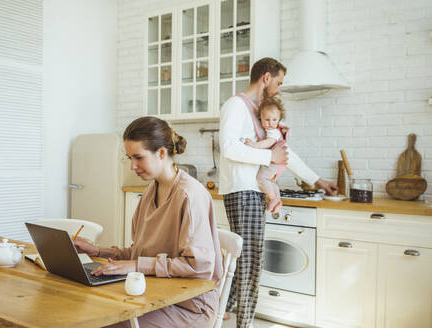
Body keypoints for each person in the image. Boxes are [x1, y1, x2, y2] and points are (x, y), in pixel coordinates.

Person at [219, 57, 337, 328]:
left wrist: (316, 180)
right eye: (279, 82)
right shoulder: (236, 106)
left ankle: (223, 307)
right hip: (242, 189)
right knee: (252, 258)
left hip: (254, 190)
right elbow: (229, 149)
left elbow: (282, 152)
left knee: (245, 256)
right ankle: (244, 323)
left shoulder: (259, 112)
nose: (280, 89)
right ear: (266, 78)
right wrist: (268, 154)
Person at [74, 116, 223, 328]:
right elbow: (140, 254)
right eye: (129, 158)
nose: (133, 166)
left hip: (189, 306)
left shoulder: (190, 196)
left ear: (161, 153)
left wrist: (136, 265)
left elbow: (198, 266)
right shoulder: (149, 193)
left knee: (108, 324)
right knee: (88, 310)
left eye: (138, 158)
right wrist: (97, 251)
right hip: (153, 295)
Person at [243, 95, 290, 199]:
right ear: (261, 119)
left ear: (279, 119)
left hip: (276, 162)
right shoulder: (271, 130)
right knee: (270, 181)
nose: (270, 123)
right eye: (267, 120)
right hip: (279, 163)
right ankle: (277, 197)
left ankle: (272, 198)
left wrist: (254, 145)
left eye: (274, 120)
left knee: (261, 179)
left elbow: (268, 142)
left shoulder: (274, 132)